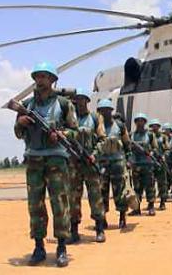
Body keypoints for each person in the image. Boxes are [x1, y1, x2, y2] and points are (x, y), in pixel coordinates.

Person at [14, 62, 77, 267]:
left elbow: (75, 132)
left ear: (52, 80)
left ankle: (61, 247)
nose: (39, 80)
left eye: (44, 77)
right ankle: (39, 247)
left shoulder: (64, 104)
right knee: (35, 205)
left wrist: (60, 134)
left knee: (60, 203)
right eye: (37, 77)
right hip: (34, 159)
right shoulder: (28, 105)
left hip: (56, 160)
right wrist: (20, 122)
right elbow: (17, 133)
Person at [68, 89, 106, 244]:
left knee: (95, 197)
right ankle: (74, 230)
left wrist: (94, 155)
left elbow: (103, 139)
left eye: (83, 99)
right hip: (74, 164)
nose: (80, 102)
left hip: (90, 163)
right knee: (73, 198)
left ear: (87, 101)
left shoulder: (95, 118)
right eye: (77, 99)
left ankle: (99, 229)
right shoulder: (70, 119)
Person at [95, 99, 130, 229]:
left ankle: (122, 217)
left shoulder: (120, 126)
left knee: (120, 191)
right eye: (102, 111)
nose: (104, 113)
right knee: (101, 191)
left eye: (107, 110)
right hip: (102, 163)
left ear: (111, 111)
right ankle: (102, 218)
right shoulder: (97, 126)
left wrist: (129, 159)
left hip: (117, 163)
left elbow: (127, 143)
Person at [129, 113, 159, 216]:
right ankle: (136, 208)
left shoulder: (150, 135)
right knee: (137, 187)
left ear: (145, 122)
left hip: (147, 164)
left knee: (149, 185)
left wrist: (151, 153)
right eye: (138, 121)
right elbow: (128, 148)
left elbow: (155, 147)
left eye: (142, 121)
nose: (140, 123)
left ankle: (151, 206)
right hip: (136, 164)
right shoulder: (131, 135)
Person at [149, 119, 169, 210]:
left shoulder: (163, 137)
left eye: (156, 126)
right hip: (151, 162)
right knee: (151, 183)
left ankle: (162, 202)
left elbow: (167, 148)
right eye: (153, 126)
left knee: (162, 183)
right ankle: (151, 203)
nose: (154, 127)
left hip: (160, 161)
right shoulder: (149, 136)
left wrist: (164, 156)